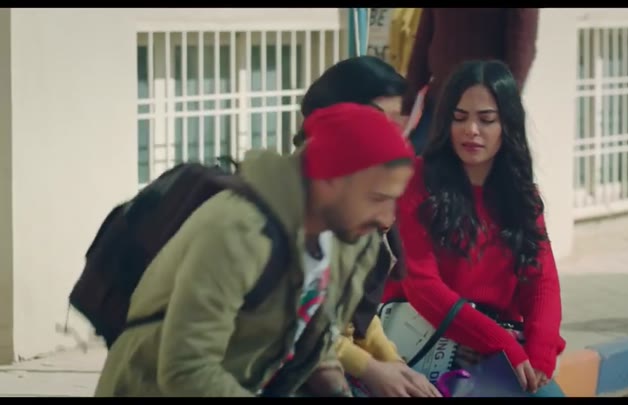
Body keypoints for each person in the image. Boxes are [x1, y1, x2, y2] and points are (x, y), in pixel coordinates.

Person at [94, 103, 416, 397]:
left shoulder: (347, 238)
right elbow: (187, 369)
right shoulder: (238, 231)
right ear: (331, 180)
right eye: (376, 199)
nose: (386, 218)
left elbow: (313, 332)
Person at [381, 60, 566, 397]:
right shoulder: (418, 180)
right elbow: (422, 285)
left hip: (496, 348)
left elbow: (542, 282)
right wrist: (500, 344)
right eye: (460, 117)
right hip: (427, 343)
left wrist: (539, 356)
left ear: (507, 125)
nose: (471, 130)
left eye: (486, 119)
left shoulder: (523, 195)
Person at [294, 56, 440, 398]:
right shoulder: (299, 199)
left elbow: (357, 313)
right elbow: (297, 324)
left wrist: (395, 364)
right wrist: (372, 370)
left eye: (397, 125)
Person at [402, 8, 540, 154]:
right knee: (414, 161)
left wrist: (504, 105)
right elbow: (423, 40)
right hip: (438, 101)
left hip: (483, 107)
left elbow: (521, 50)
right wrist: (408, 104)